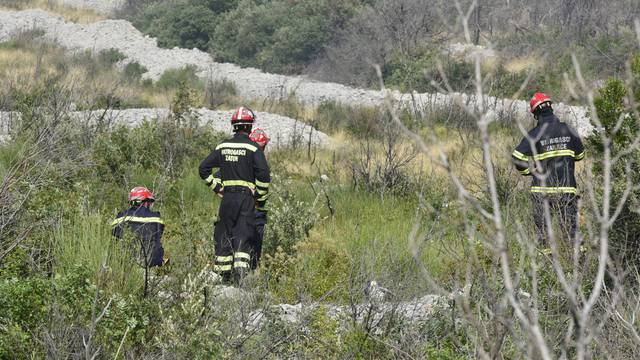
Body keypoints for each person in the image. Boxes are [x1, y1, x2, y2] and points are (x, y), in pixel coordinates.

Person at [199, 107, 271, 283]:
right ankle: (240, 281)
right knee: (243, 236)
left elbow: (203, 169)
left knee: (224, 234)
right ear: (249, 127)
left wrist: (217, 188)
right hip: (246, 199)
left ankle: (222, 280)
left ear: (234, 126)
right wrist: (259, 199)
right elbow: (263, 176)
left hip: (227, 200)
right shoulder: (253, 148)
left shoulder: (223, 146)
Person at [512, 93, 585, 246]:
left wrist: (529, 171)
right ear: (551, 108)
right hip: (566, 189)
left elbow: (517, 157)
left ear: (536, 114)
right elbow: (580, 155)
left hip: (542, 191)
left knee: (543, 234)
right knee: (572, 232)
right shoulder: (568, 130)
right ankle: (577, 263)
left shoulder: (535, 134)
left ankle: (547, 265)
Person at [112, 186, 165, 268]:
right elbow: (159, 234)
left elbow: (114, 235)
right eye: (149, 202)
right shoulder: (157, 218)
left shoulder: (121, 218)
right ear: (145, 202)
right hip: (153, 262)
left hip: (128, 263)